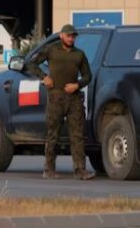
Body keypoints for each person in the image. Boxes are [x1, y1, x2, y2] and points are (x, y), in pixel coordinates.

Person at [26, 24, 94, 180]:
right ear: (62, 35)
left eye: (73, 36)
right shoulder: (51, 49)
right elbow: (30, 63)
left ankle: (80, 170)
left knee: (77, 135)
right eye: (69, 35)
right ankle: (48, 169)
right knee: (53, 134)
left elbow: (87, 76)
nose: (71, 38)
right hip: (56, 97)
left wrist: (77, 85)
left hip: (74, 98)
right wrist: (44, 77)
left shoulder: (79, 55)